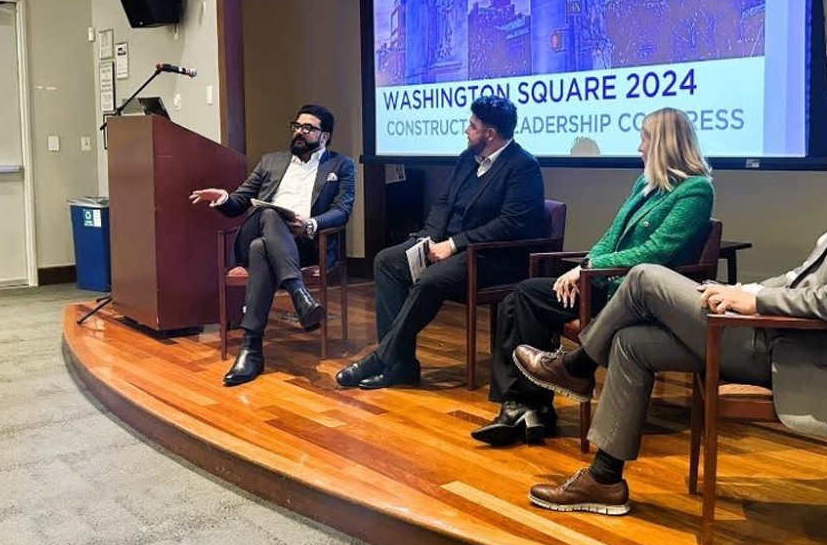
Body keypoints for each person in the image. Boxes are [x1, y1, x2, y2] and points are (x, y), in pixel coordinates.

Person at [513, 72, 827, 515]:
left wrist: (756, 303)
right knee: (630, 342)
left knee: (643, 277)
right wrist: (743, 289)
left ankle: (576, 367)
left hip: (803, 349)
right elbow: (807, 276)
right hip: (785, 333)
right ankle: (604, 480)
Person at [471, 108, 715, 447]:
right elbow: (611, 236)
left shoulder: (696, 191)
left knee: (523, 299)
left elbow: (656, 252)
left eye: (644, 139)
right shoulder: (645, 184)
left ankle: (524, 407)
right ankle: (526, 406)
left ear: (664, 143)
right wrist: (585, 267)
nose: (639, 147)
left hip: (636, 300)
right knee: (520, 297)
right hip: (605, 284)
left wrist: (589, 269)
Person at [335, 95, 545, 390]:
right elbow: (444, 203)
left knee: (431, 279)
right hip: (449, 247)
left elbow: (509, 224)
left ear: (490, 134)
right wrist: (427, 237)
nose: (466, 130)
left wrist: (454, 244)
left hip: (492, 257)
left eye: (472, 126)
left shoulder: (522, 166)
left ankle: (384, 357)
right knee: (387, 261)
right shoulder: (467, 159)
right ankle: (403, 366)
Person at [190, 104, 356, 387]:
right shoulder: (271, 161)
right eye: (297, 126)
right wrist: (223, 197)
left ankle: (251, 350)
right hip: (258, 227)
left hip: (303, 242)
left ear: (325, 136)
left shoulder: (341, 165)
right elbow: (239, 201)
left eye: (308, 128)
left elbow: (342, 210)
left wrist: (310, 224)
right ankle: (298, 293)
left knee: (261, 250)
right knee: (269, 214)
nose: (299, 132)